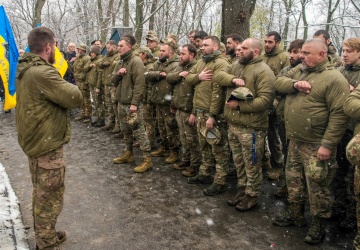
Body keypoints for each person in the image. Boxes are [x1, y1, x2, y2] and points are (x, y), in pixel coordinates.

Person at [272, 39, 350, 245]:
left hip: (316, 144)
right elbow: (277, 82)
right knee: (294, 180)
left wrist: (327, 144)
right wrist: (294, 84)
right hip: (295, 141)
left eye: (307, 53)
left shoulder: (334, 78)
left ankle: (318, 224)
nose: (301, 56)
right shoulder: (299, 70)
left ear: (322, 55)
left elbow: (339, 116)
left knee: (318, 186)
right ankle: (295, 213)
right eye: (302, 53)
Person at [15, 27, 83, 250]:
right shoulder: (42, 73)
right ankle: (46, 244)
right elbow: (75, 97)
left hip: (37, 142)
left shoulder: (28, 68)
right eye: (55, 45)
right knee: (49, 198)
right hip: (46, 145)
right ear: (48, 47)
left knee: (41, 193)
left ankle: (47, 234)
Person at [215, 39, 275, 210]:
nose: (239, 51)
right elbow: (219, 76)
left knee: (252, 163)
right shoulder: (236, 65)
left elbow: (266, 100)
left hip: (252, 128)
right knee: (239, 161)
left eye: (244, 49)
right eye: (239, 48)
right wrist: (233, 79)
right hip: (234, 125)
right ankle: (243, 189)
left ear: (255, 52)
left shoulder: (264, 71)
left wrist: (240, 106)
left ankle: (252, 194)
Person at [184, 36, 230, 196]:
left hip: (212, 114)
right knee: (203, 144)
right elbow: (189, 79)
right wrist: (199, 77)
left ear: (215, 46)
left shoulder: (221, 64)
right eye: (201, 45)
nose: (201, 48)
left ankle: (220, 181)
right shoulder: (201, 62)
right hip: (200, 111)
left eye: (205, 45)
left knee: (218, 147)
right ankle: (205, 173)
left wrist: (212, 115)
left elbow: (218, 93)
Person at [111, 35, 153, 173]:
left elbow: (140, 85)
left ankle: (147, 159)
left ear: (129, 46)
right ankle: (128, 153)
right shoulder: (120, 62)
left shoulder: (136, 62)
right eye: (118, 46)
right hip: (121, 103)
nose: (118, 48)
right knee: (125, 130)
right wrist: (118, 74)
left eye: (121, 46)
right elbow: (112, 80)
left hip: (131, 104)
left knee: (139, 131)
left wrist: (134, 104)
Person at [332, 37, 360, 230]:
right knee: (338, 171)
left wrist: (351, 92)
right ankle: (339, 207)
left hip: (354, 131)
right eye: (343, 50)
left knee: (352, 175)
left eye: (349, 50)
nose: (345, 54)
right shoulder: (339, 71)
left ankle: (351, 214)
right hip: (339, 128)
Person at [274, 39, 305, 198]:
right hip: (283, 117)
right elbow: (277, 84)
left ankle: (300, 190)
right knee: (287, 153)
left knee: (299, 158)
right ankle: (288, 184)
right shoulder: (287, 69)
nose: (292, 55)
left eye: (296, 52)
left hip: (299, 122)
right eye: (291, 52)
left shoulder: (306, 71)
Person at [166, 44, 201, 177]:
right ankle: (186, 160)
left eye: (183, 54)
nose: (180, 56)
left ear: (191, 55)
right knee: (183, 138)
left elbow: (198, 94)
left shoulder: (196, 68)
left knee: (192, 140)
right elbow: (169, 78)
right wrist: (179, 74)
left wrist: (194, 112)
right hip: (179, 108)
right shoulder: (180, 66)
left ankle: (195, 165)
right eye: (179, 54)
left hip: (189, 109)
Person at [147, 41, 180, 164]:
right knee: (161, 127)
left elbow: (175, 83)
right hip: (158, 100)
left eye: (163, 51)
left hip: (168, 101)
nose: (160, 53)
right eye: (160, 51)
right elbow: (148, 74)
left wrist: (173, 102)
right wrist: (159, 74)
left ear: (170, 53)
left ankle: (174, 151)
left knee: (170, 127)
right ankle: (164, 147)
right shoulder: (158, 63)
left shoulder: (176, 64)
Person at [263, 31, 290, 180]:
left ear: (278, 43)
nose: (267, 45)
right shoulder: (262, 57)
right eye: (265, 41)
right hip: (263, 100)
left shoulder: (284, 57)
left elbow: (285, 80)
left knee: (274, 135)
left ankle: (277, 165)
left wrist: (276, 101)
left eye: (270, 42)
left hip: (277, 101)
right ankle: (265, 160)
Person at [98, 40, 119, 131]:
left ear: (114, 47)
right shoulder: (106, 56)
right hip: (106, 83)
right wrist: (103, 63)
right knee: (109, 105)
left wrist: (109, 63)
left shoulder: (117, 55)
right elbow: (99, 64)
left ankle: (118, 125)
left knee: (115, 105)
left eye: (108, 48)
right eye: (106, 48)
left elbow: (115, 65)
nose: (107, 49)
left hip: (113, 84)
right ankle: (111, 123)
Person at [138, 46, 156, 149]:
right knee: (143, 121)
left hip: (147, 98)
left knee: (148, 122)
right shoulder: (143, 66)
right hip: (143, 97)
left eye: (140, 53)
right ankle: (144, 141)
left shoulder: (149, 67)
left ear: (144, 55)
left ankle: (150, 143)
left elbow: (150, 86)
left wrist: (149, 101)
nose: (138, 55)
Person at [69, 44, 91, 123]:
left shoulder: (87, 58)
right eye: (78, 49)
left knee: (86, 99)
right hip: (78, 80)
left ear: (83, 50)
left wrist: (78, 70)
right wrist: (68, 64)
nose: (78, 50)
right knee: (81, 98)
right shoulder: (77, 58)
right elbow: (75, 69)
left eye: (80, 49)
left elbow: (85, 69)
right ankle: (83, 113)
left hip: (84, 81)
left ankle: (88, 115)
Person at [86, 46, 104, 127]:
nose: (91, 54)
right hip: (92, 85)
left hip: (96, 86)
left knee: (99, 103)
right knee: (96, 103)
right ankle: (97, 118)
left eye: (92, 52)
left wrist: (98, 87)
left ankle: (101, 119)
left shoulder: (99, 61)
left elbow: (100, 75)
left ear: (95, 53)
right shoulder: (92, 61)